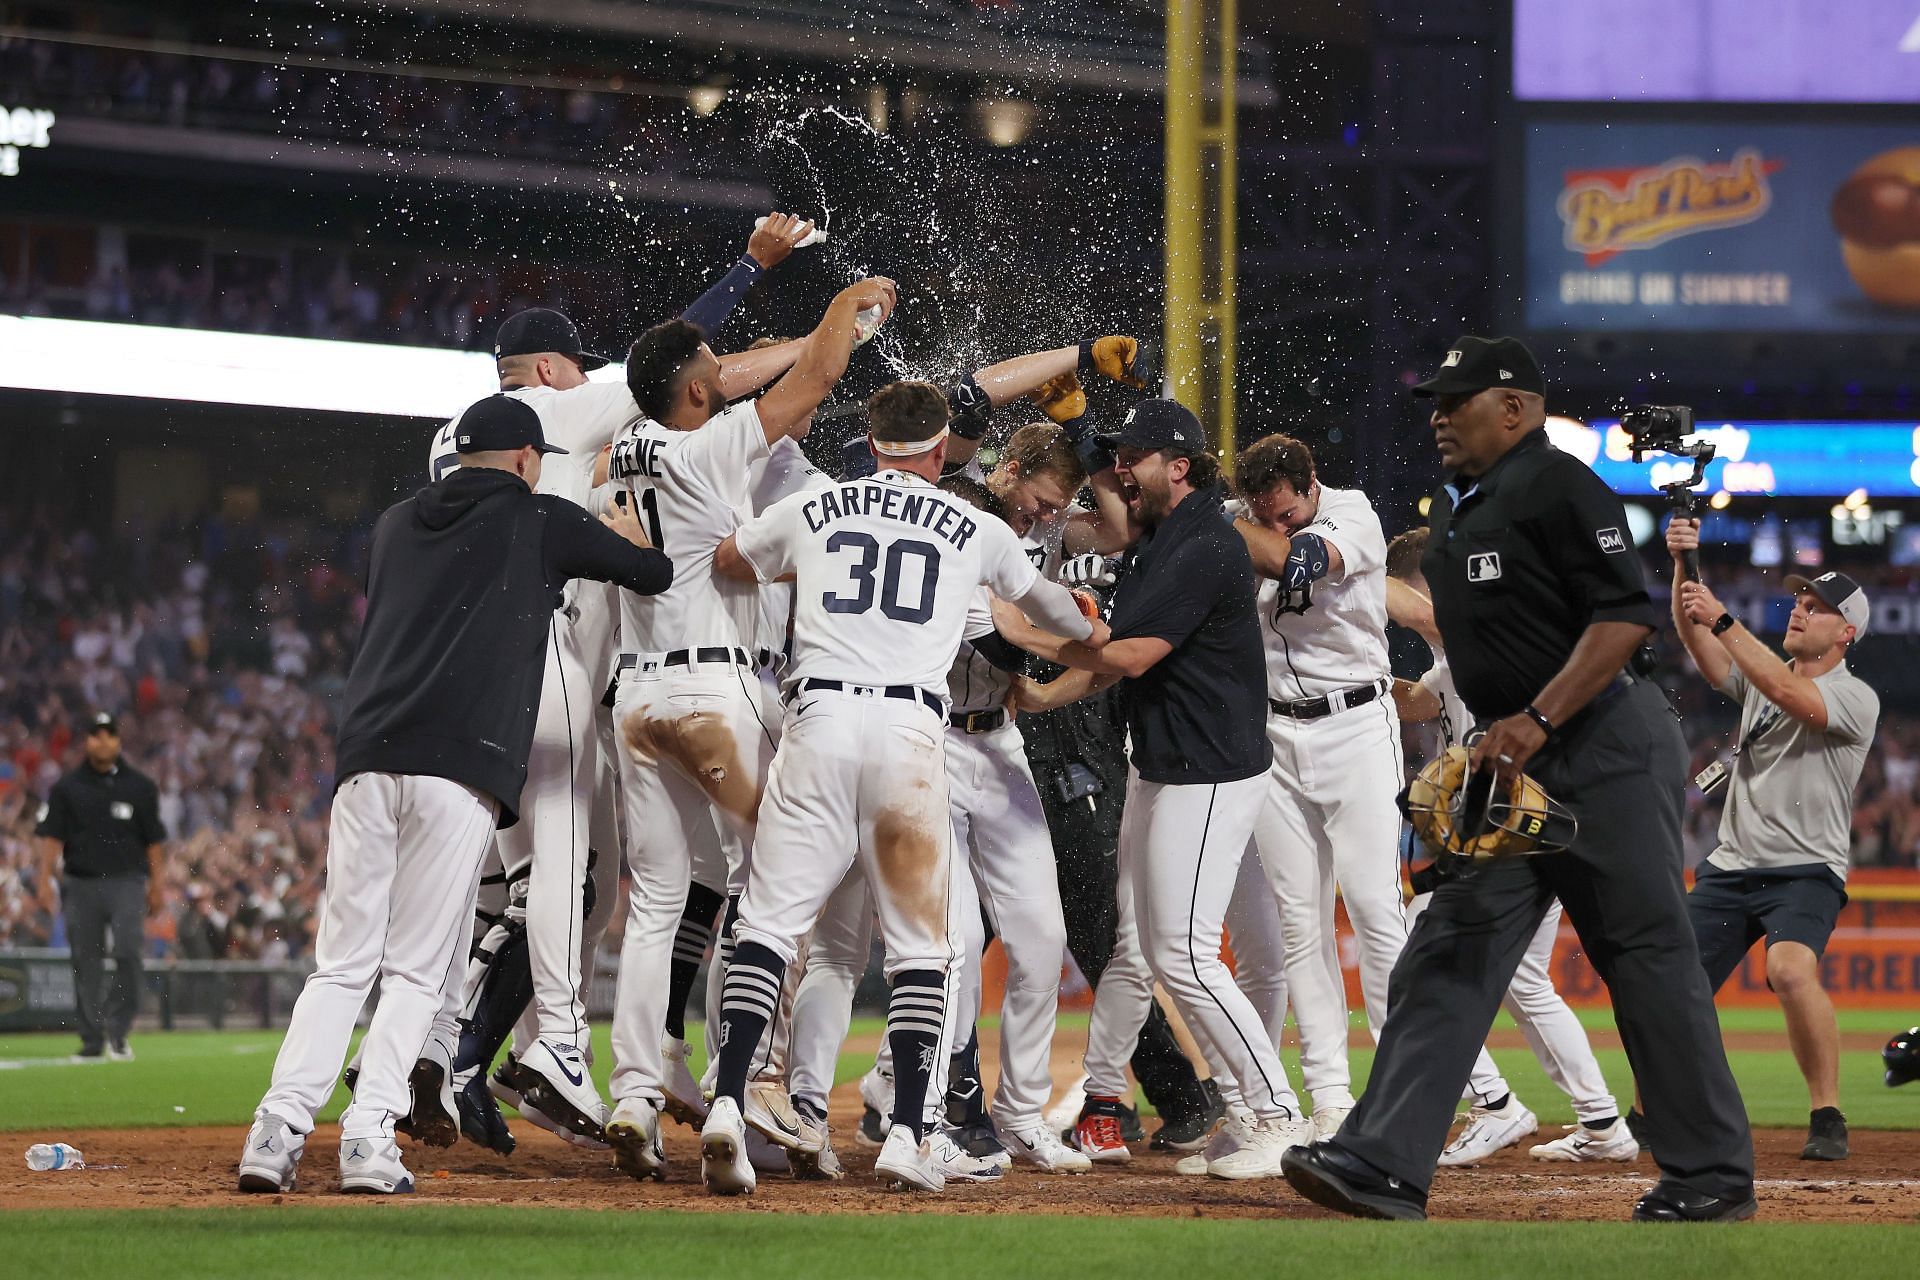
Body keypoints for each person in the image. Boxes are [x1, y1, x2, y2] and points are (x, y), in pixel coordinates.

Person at [1281, 335, 1755, 1223]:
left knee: (1645, 956)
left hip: (1602, 744)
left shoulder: (1560, 484)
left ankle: (1711, 1176)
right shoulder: (1458, 509)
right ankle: (1383, 1162)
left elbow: (1623, 618)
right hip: (1512, 762)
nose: (1438, 415)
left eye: (1456, 401)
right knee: (1448, 949)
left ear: (1515, 408)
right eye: (1435, 400)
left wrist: (1536, 720)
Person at [236, 393, 671, 1196]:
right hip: (460, 767)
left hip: (367, 760)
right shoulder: (540, 518)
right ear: (526, 459)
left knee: (340, 966)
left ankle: (275, 1130)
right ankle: (367, 1140)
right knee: (414, 972)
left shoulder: (395, 524)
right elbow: (654, 573)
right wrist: (630, 532)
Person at [700, 379, 1104, 1195]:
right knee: (924, 948)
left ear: (873, 438)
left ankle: (729, 1104)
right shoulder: (976, 526)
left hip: (815, 720)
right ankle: (911, 1133)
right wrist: (1089, 619)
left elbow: (728, 560)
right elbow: (1055, 615)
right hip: (911, 735)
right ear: (940, 443)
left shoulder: (820, 504)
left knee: (771, 926)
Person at [599, 274, 900, 1182]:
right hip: (714, 696)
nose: (723, 379)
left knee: (656, 907)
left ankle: (635, 1096)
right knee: (773, 887)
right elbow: (808, 380)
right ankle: (747, 1088)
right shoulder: (706, 454)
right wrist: (845, 308)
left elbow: (739, 379)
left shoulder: (625, 448)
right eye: (711, 373)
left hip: (634, 702)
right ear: (695, 391)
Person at [1016, 398, 1311, 1180]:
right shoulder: (1159, 540)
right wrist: (1043, 695)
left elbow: (1133, 654)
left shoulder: (1205, 542)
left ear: (1177, 466)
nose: (1120, 468)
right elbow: (1112, 646)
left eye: (1135, 455)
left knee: (1183, 954)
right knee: (1147, 947)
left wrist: (1015, 633)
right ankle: (1247, 1114)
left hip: (1209, 772)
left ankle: (1278, 1116)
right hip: (1166, 766)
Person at [1385, 527, 1636, 1164]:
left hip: (1512, 826)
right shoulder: (1450, 660)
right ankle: (1602, 1123)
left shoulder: (1477, 632)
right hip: (1522, 827)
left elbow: (1428, 619)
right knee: (1526, 983)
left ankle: (1495, 1103)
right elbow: (1414, 702)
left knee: (1410, 943)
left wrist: (1356, 577)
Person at [1665, 523, 1881, 1162]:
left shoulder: (1855, 697)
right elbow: (1700, 642)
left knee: (1789, 969)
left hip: (1806, 869)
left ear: (1847, 633)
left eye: (1818, 608)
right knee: (1671, 986)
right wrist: (1684, 564)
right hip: (1732, 864)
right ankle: (1656, 1111)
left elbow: (1790, 692)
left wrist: (1724, 617)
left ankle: (1828, 1114)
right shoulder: (1763, 677)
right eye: (1800, 600)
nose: (1800, 609)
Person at [34, 711, 166, 1063]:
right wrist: (43, 880)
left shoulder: (140, 787)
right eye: (96, 734)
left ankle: (119, 1032)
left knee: (127, 953)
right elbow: (51, 837)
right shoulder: (67, 788)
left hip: (127, 883)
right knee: (86, 962)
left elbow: (154, 841)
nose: (103, 740)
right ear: (87, 741)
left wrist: (157, 885)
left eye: (109, 734)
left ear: (119, 741)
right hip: (81, 883)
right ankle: (92, 1040)